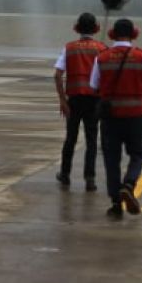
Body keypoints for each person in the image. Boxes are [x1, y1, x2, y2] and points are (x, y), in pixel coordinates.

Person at [93, 18, 142, 219]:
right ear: (133, 34)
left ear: (112, 34)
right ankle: (129, 184)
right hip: (134, 117)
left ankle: (115, 204)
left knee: (111, 160)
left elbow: (94, 86)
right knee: (138, 155)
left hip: (110, 118)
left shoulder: (102, 58)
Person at [53, 12, 107, 191]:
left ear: (77, 29)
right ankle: (90, 178)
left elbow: (57, 74)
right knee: (91, 140)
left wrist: (62, 100)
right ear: (96, 28)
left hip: (74, 100)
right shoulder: (102, 48)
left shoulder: (68, 48)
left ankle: (65, 174)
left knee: (71, 138)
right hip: (94, 101)